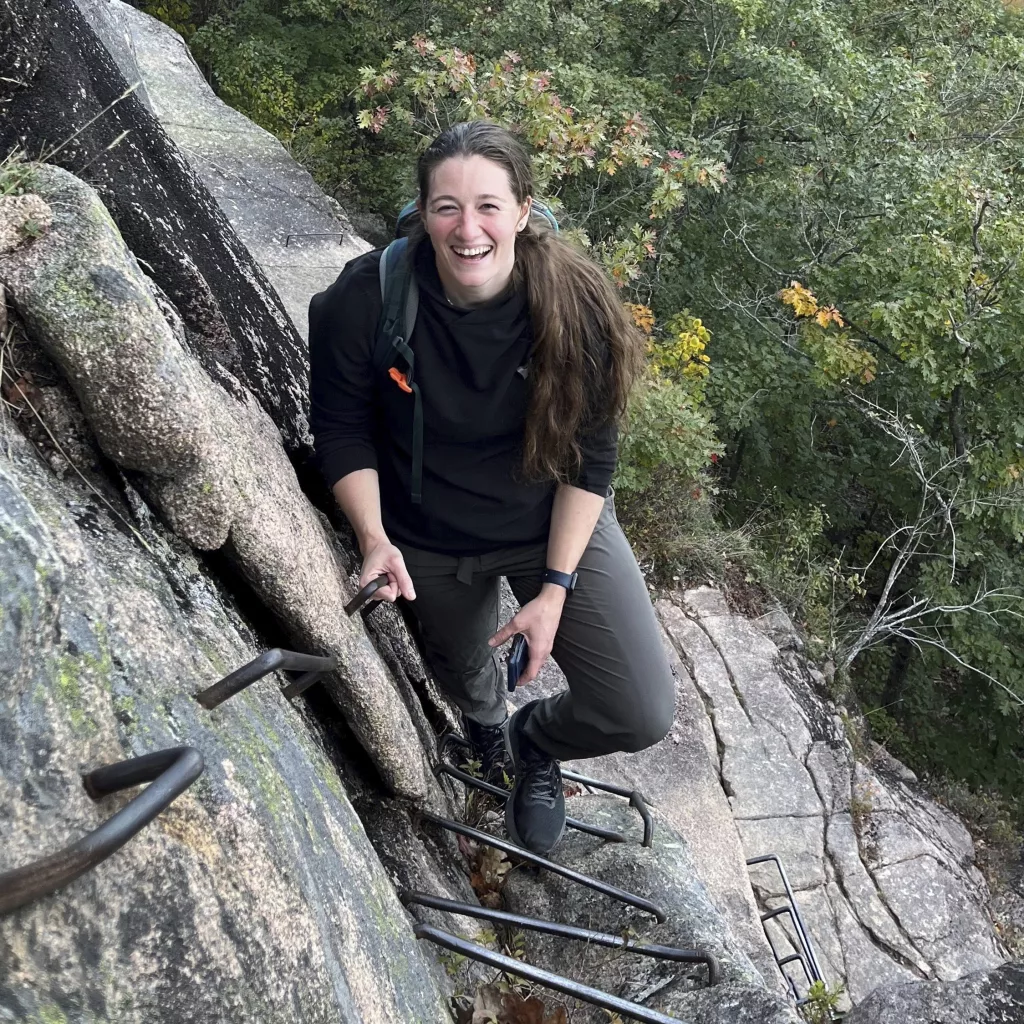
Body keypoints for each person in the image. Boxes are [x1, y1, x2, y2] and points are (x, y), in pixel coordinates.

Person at [308, 121, 675, 855]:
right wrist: (375, 537)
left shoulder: (576, 310)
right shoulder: (366, 298)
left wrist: (555, 590)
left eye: (487, 206)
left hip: (546, 521)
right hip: (426, 536)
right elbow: (341, 428)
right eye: (446, 206)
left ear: (524, 211)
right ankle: (489, 737)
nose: (467, 228)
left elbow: (590, 462)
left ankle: (533, 741)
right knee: (466, 670)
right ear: (422, 213)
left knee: (639, 710)